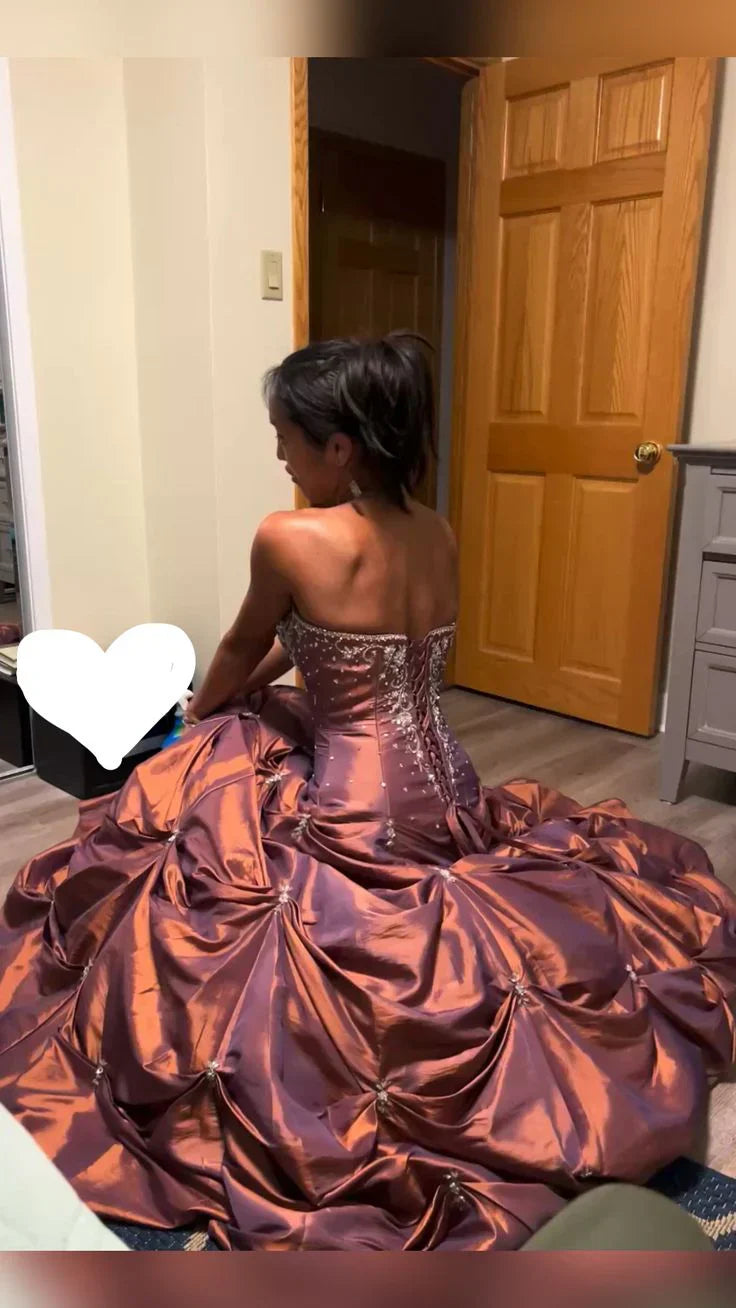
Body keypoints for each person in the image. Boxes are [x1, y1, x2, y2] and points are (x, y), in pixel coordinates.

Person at [0, 333, 734, 1252]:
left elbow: (244, 642)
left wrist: (205, 708)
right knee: (253, 736)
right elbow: (312, 639)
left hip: (354, 809)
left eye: (285, 438)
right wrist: (243, 695)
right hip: (450, 787)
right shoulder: (436, 530)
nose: (278, 454)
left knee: (204, 787)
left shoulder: (290, 537)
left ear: (339, 447)